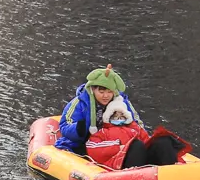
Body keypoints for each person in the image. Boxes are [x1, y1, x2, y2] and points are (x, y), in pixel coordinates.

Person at [57, 66, 185, 168]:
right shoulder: (80, 103)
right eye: (101, 92)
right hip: (90, 143)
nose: (105, 96)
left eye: (109, 92)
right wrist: (79, 129)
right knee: (135, 146)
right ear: (92, 89)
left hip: (122, 140)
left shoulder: (122, 102)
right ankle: (135, 174)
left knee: (163, 141)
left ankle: (171, 174)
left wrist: (140, 137)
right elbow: (65, 125)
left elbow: (136, 122)